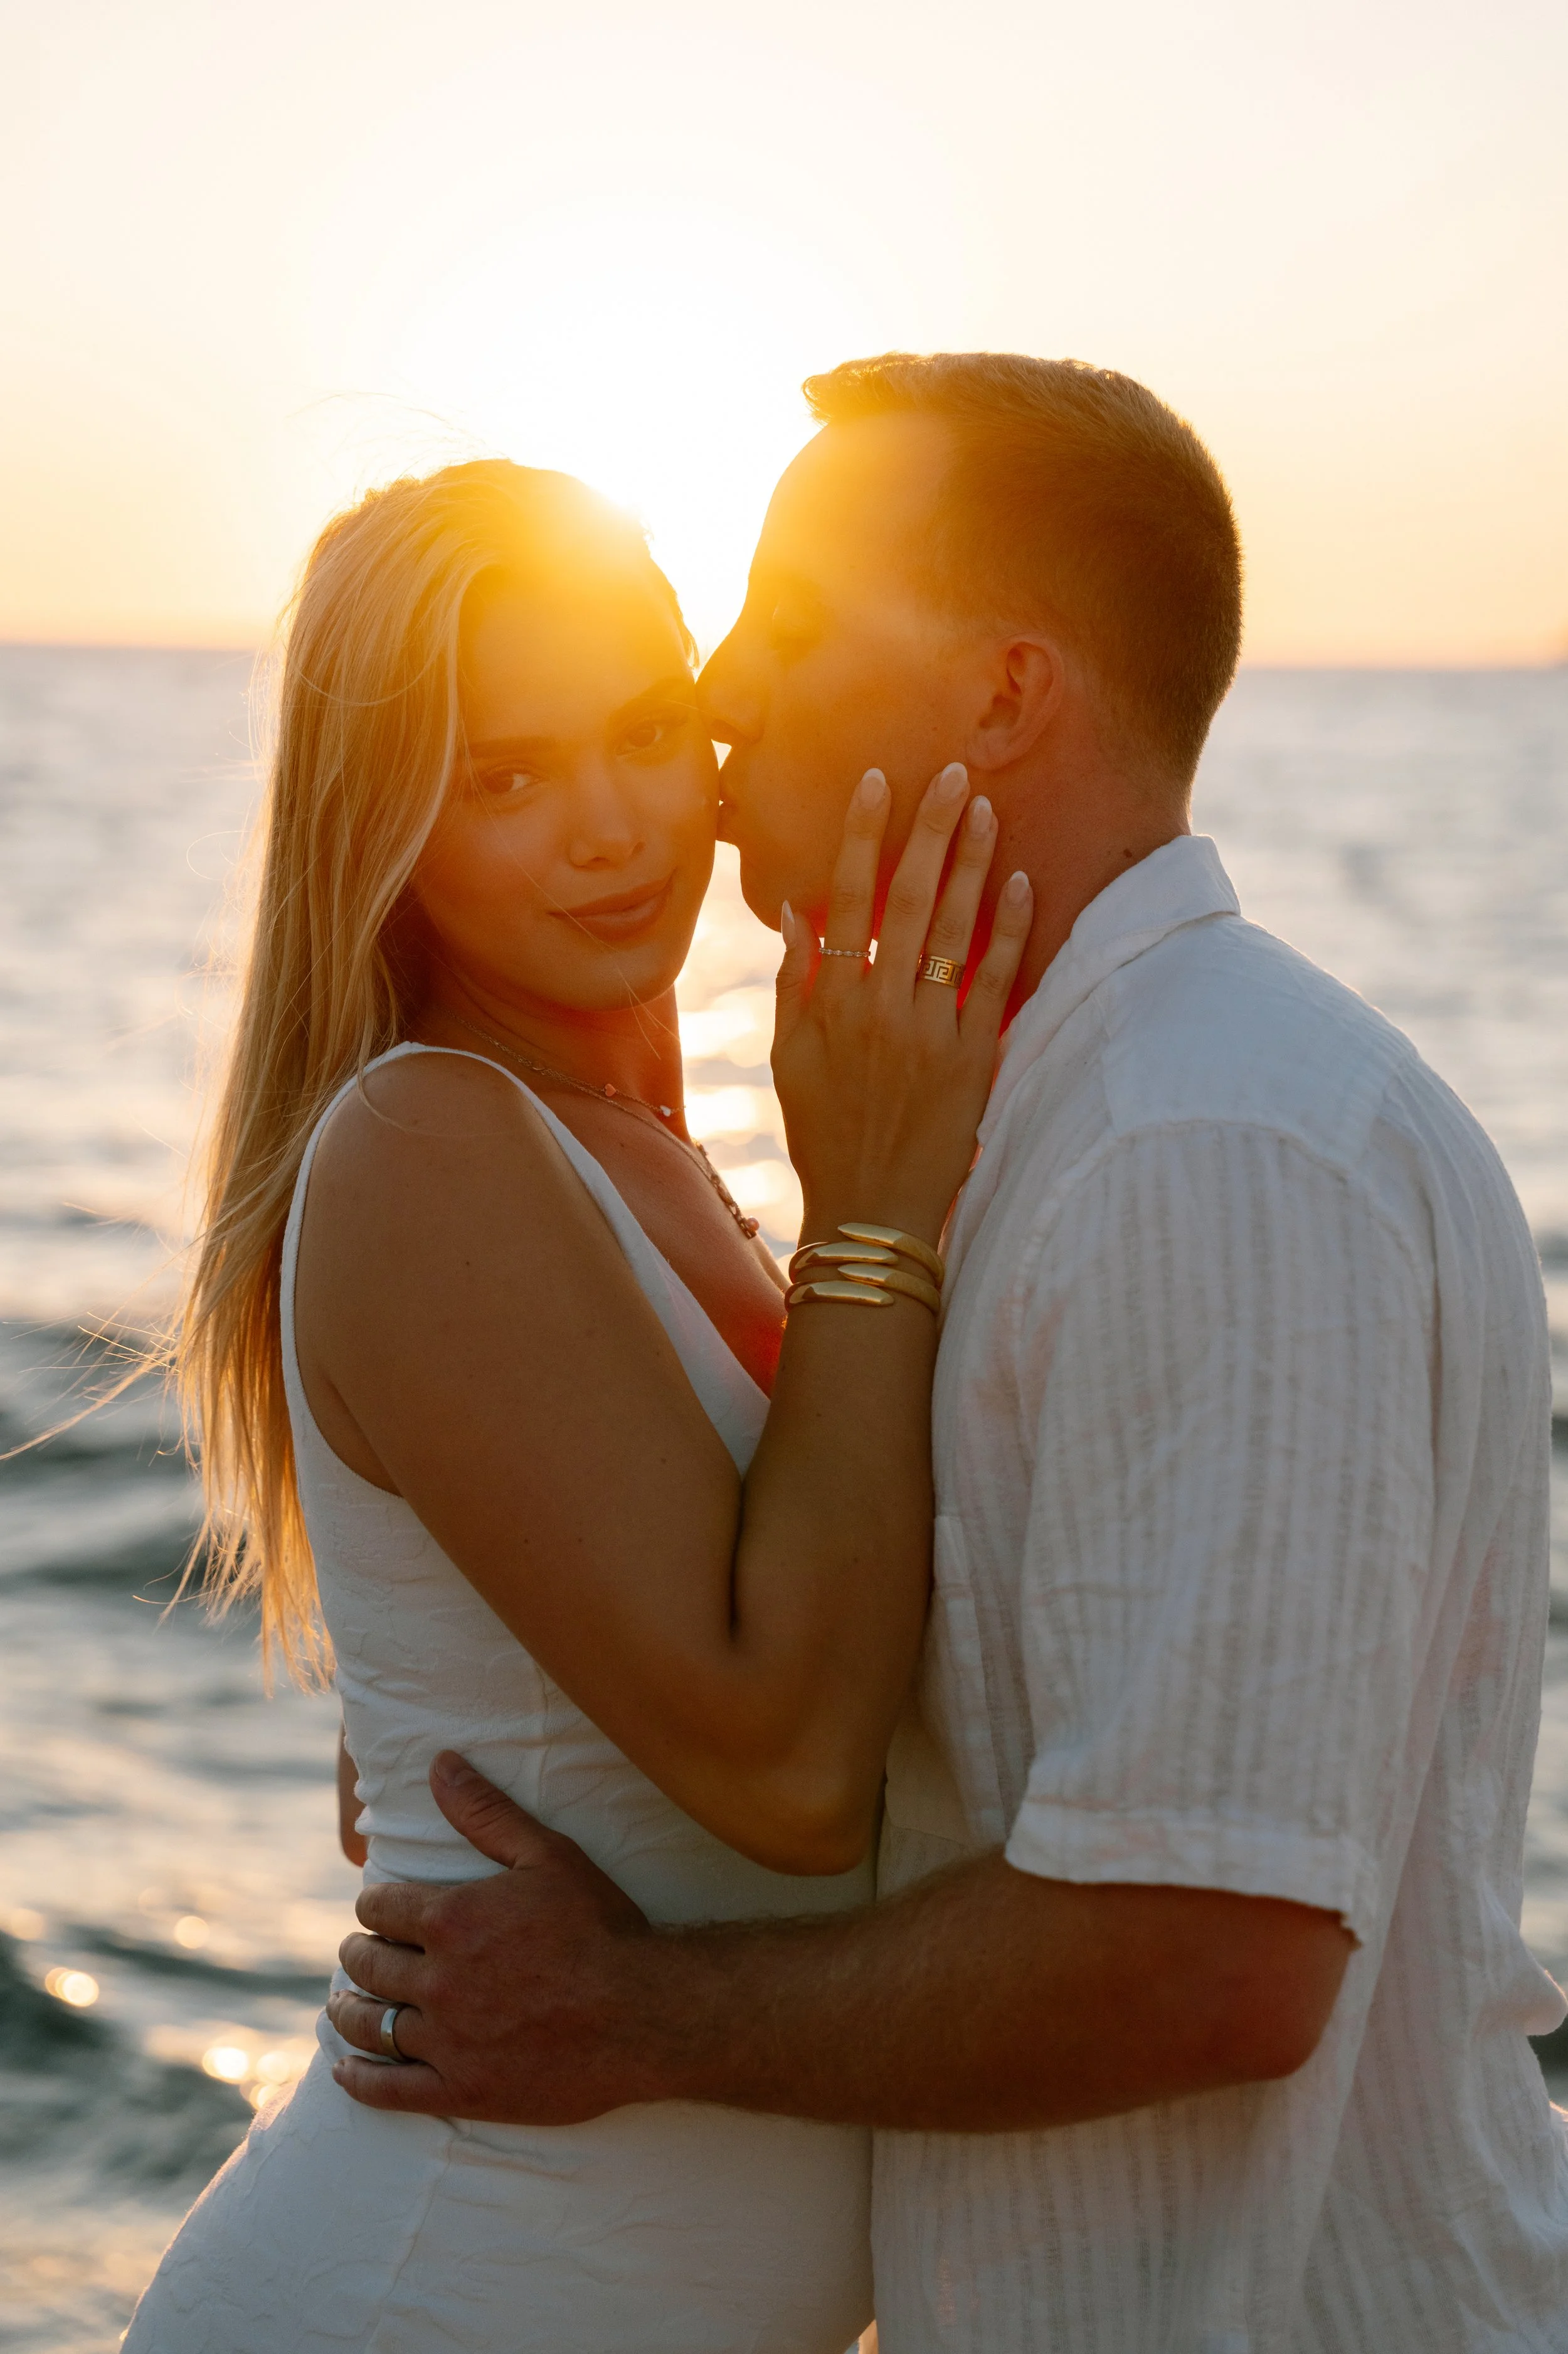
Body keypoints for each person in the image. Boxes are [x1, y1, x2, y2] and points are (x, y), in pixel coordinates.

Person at [331, 356, 1568, 2350]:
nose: (725, 702)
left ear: (1003, 697)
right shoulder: (1022, 1120)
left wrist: (631, 2011)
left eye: (788, 630)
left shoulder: (1204, 1145)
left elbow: (1207, 1958)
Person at [122, 455, 1033, 2352]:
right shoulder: (425, 1140)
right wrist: (873, 1209)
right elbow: (788, 1777)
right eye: (506, 775)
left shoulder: (639, 1155)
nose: (612, 828)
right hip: (432, 2292)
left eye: (641, 734)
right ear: (385, 818)